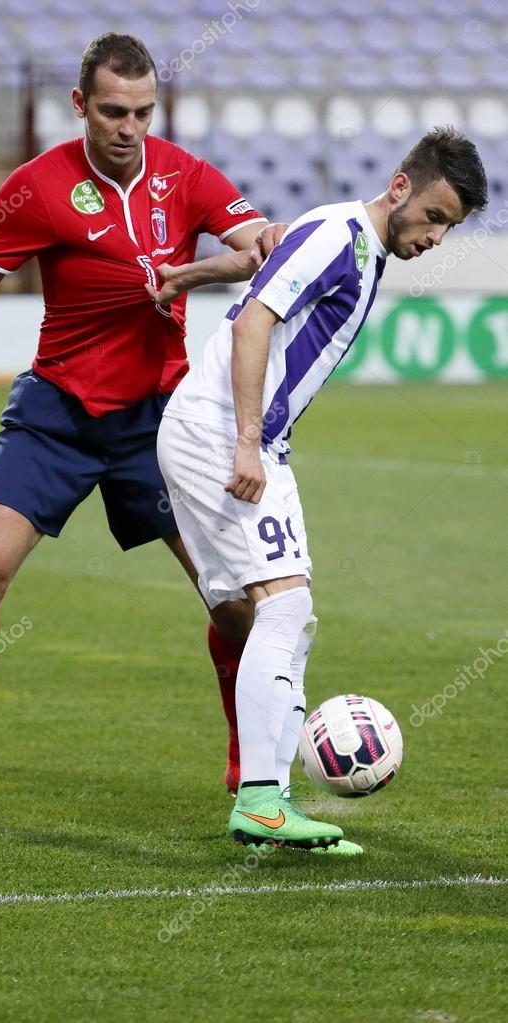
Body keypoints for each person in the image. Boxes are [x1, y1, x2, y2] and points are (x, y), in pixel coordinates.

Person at [0, 33, 283, 825]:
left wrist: (195, 271)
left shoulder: (187, 177)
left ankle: (250, 772)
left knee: (234, 600)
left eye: (142, 111)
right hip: (58, 410)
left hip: (159, 421)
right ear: (81, 106)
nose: (129, 126)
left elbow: (266, 249)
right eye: (112, 111)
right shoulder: (36, 188)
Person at [154, 127, 488, 854]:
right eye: (434, 216)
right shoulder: (339, 232)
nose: (435, 237)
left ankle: (270, 806)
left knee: (282, 617)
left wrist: (183, 278)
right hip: (224, 435)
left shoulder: (359, 248)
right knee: (289, 607)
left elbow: (258, 264)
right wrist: (246, 439)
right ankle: (263, 800)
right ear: (400, 185)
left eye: (449, 228)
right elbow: (255, 322)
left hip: (246, 439)